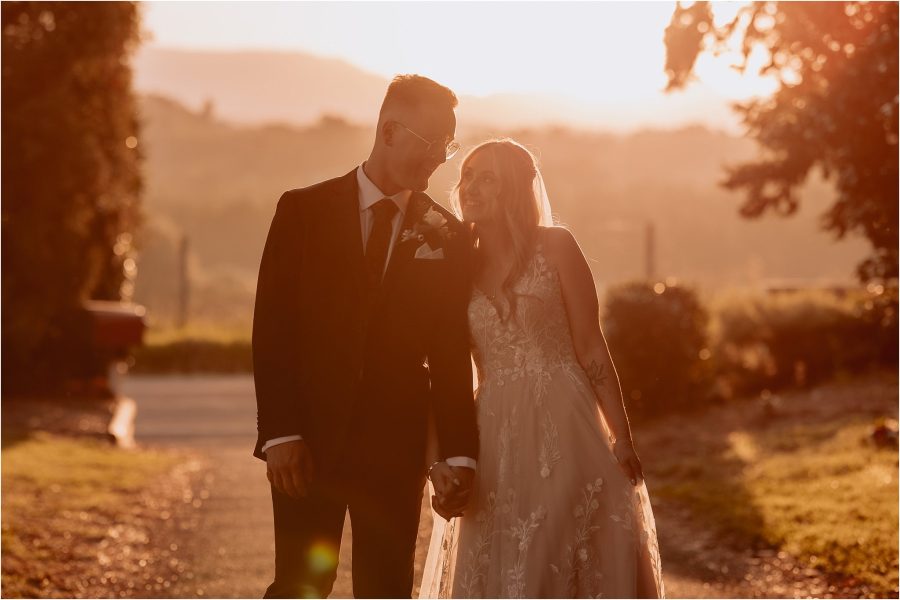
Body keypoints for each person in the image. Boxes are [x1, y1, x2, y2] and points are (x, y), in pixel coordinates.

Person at [252, 74, 479, 599]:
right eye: (431, 143)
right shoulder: (302, 212)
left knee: (386, 588)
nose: (440, 159)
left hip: (394, 450)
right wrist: (281, 434)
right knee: (301, 584)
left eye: (448, 145)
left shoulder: (448, 235)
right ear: (389, 130)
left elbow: (450, 351)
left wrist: (459, 455)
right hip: (307, 443)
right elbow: (273, 330)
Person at [420, 139, 666, 598]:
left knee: (559, 551)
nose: (470, 186)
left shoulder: (557, 246)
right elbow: (445, 365)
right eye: (467, 176)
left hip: (564, 421)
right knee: (503, 558)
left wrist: (621, 436)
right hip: (492, 431)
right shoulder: (458, 264)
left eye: (487, 177)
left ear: (514, 188)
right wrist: (443, 454)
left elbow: (591, 345)